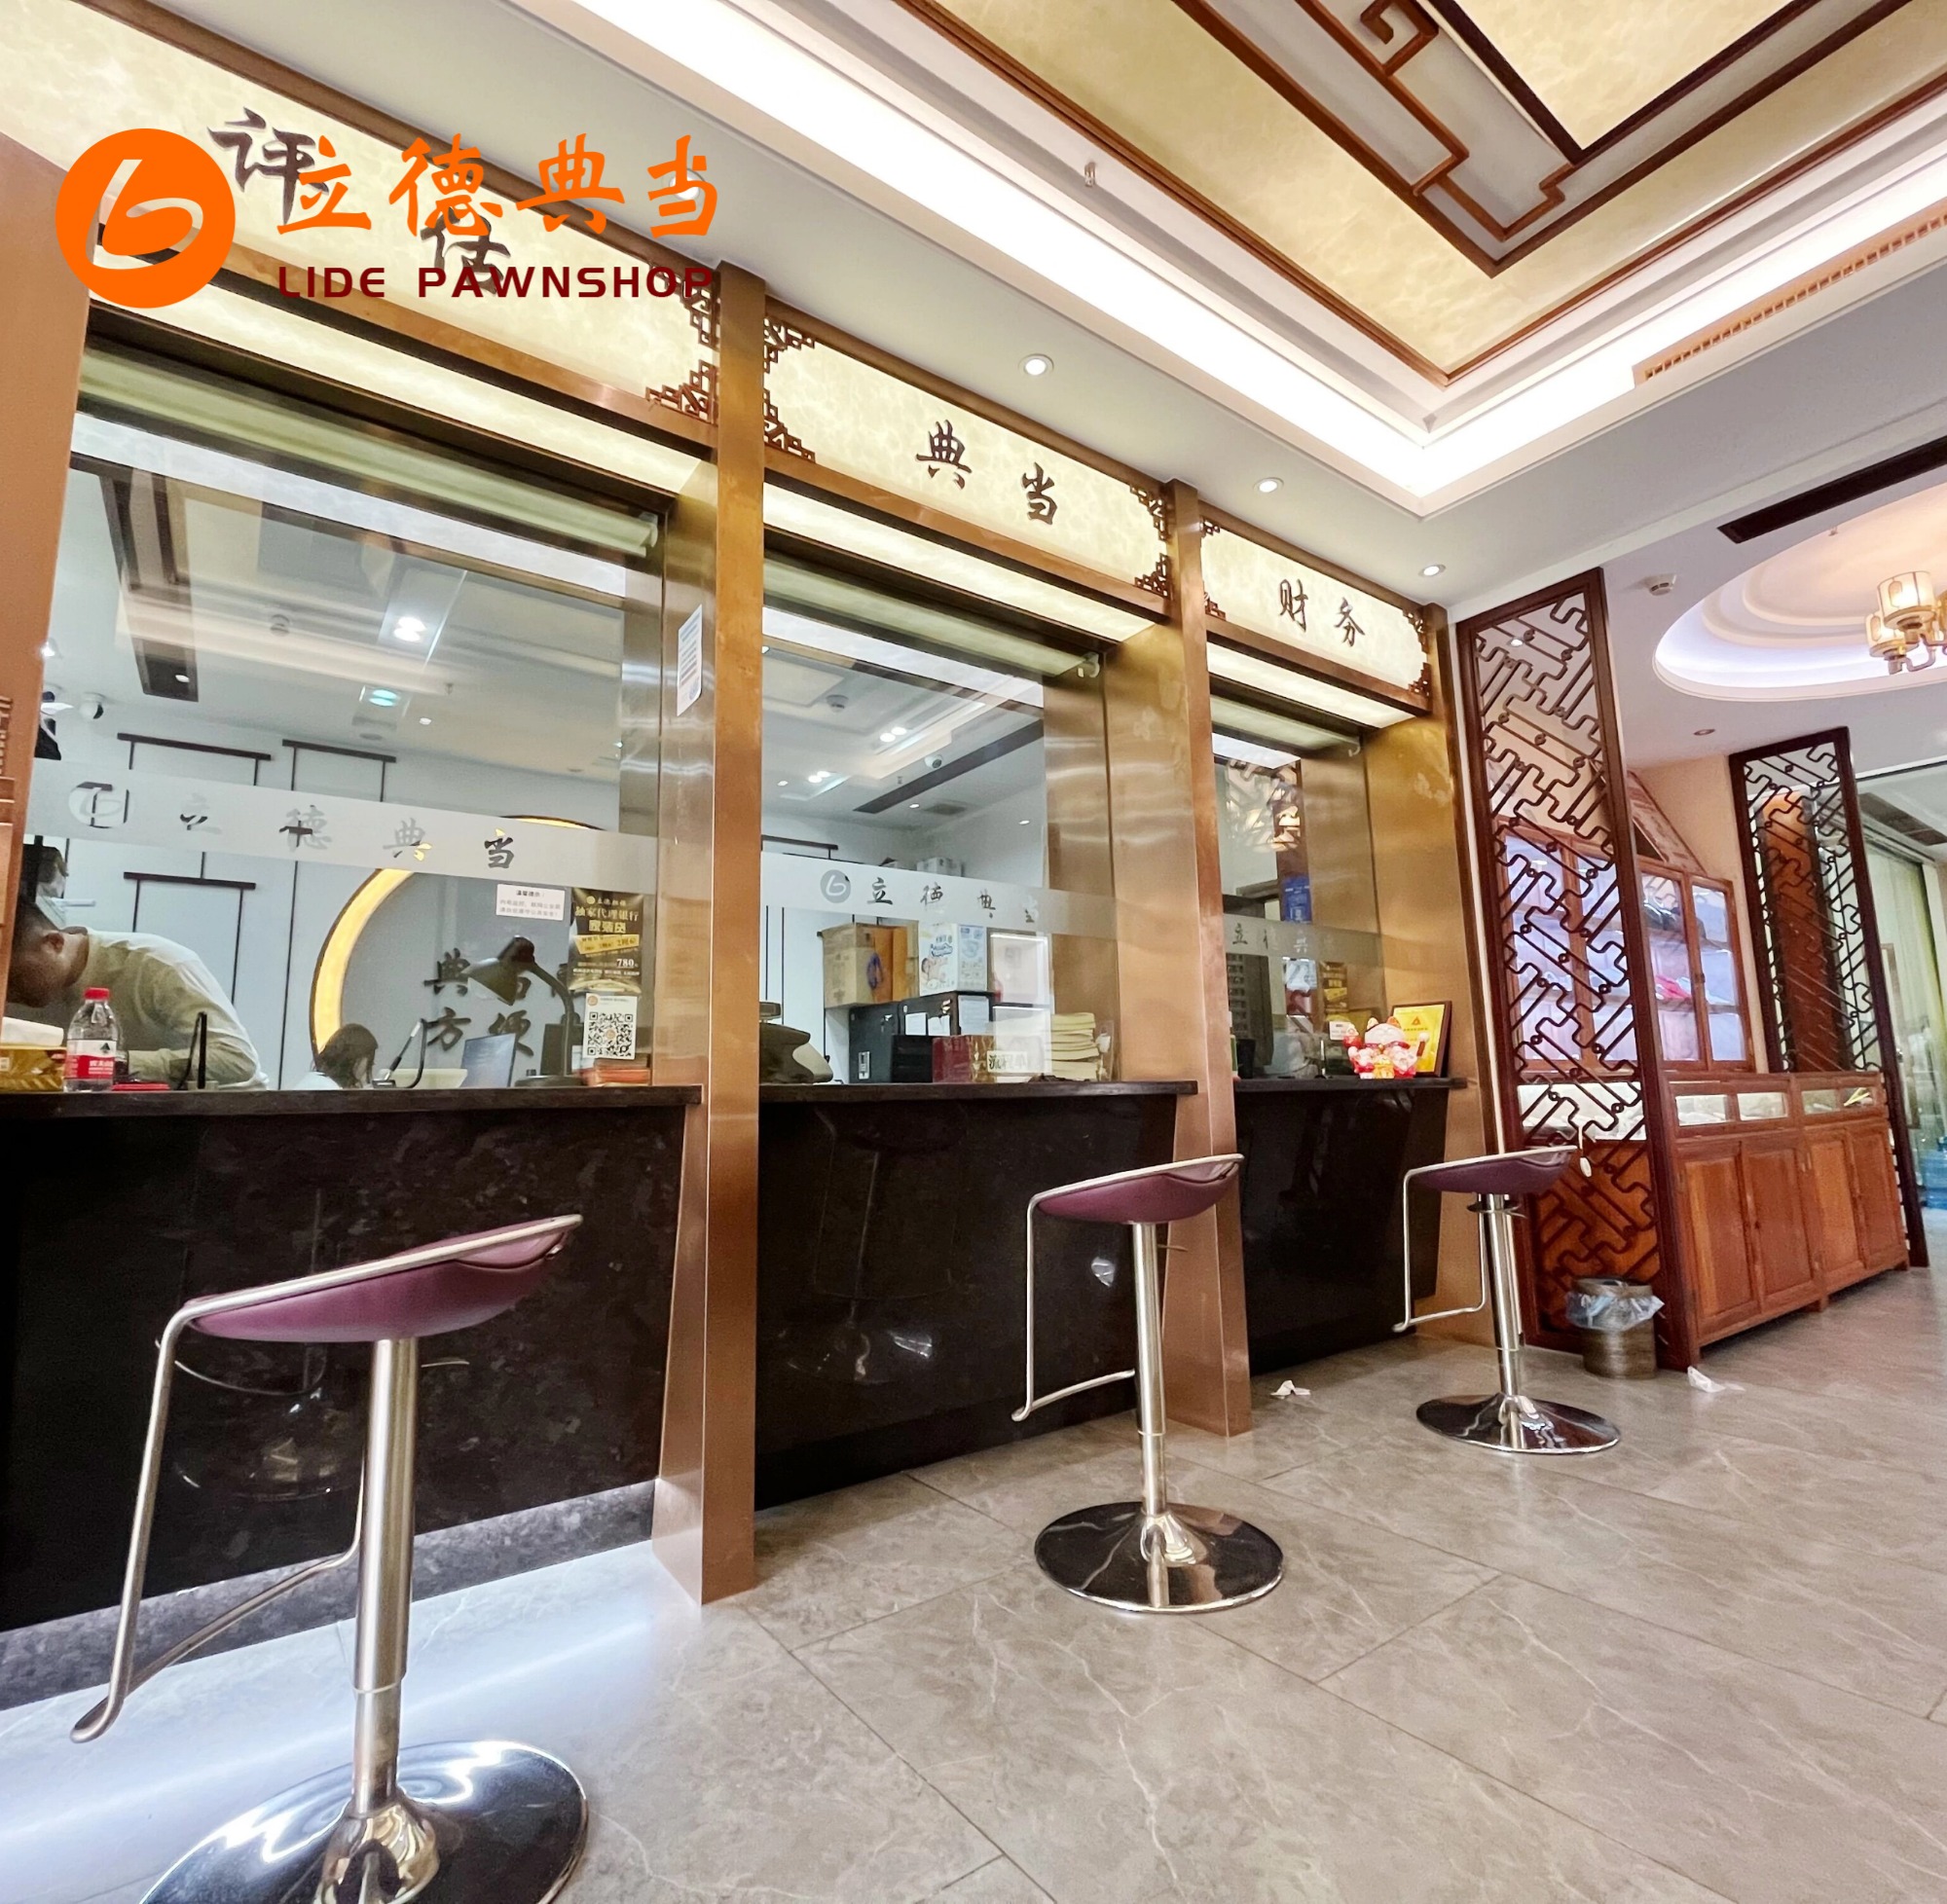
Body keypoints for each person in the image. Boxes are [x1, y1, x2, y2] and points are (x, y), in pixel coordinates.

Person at [6, 899, 268, 1089]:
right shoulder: (16, 989)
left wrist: (112, 1063)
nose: (6, 991)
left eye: (15, 977)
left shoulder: (158, 964)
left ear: (54, 942)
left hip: (220, 1118)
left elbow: (236, 1060)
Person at [296, 1023, 378, 1091]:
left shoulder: (315, 1081)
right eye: (369, 1060)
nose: (372, 1064)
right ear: (356, 1058)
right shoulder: (328, 1090)